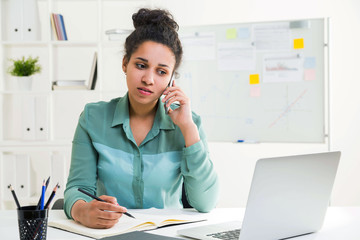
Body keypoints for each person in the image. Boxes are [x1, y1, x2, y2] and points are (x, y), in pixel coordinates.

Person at [64, 8, 219, 229]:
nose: (148, 79)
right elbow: (77, 188)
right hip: (111, 233)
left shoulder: (189, 123)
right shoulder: (93, 118)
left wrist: (187, 128)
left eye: (161, 72)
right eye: (141, 65)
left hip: (168, 234)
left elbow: (206, 203)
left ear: (171, 79)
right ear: (125, 63)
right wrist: (81, 211)